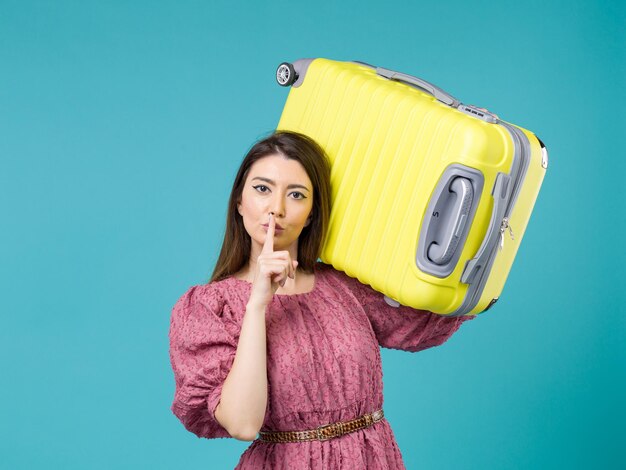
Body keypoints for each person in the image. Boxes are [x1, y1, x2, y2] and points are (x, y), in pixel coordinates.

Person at [168, 130, 474, 469]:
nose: (276, 208)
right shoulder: (209, 308)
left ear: (312, 212)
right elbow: (243, 423)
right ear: (239, 201)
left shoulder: (345, 284)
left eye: (296, 194)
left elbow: (423, 323)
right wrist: (257, 305)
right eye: (262, 189)